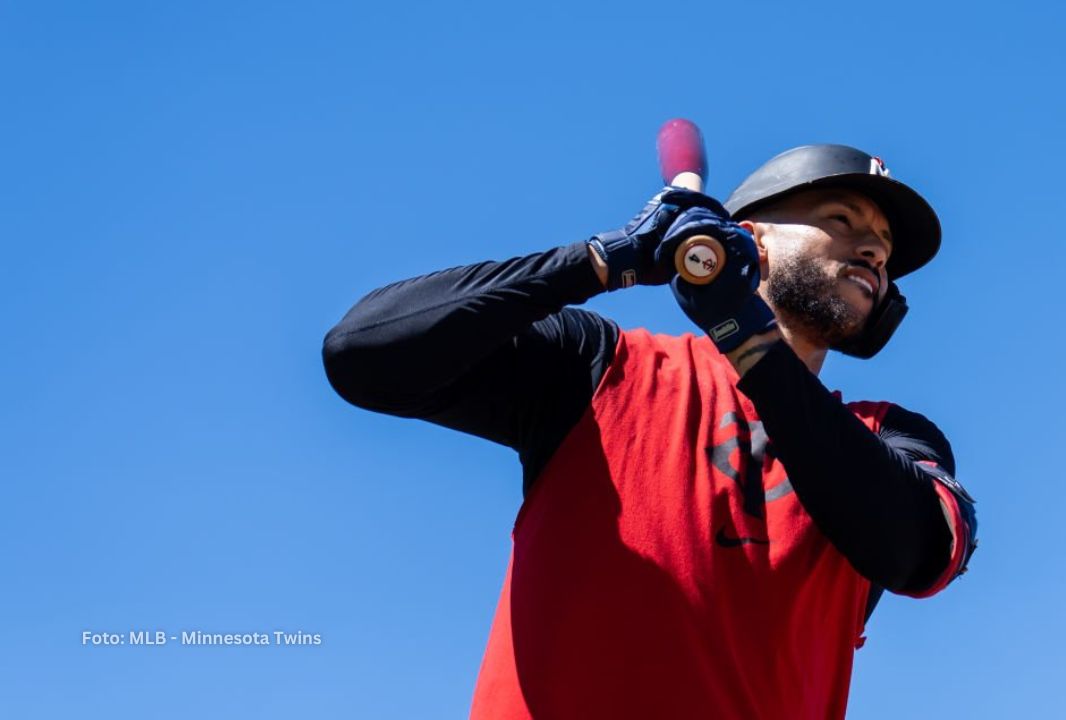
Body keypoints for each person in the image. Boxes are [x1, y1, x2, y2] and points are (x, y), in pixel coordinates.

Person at [322, 143, 978, 719]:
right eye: (842, 220)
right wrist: (604, 260)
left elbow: (917, 551)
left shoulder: (890, 435)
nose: (873, 249)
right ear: (750, 240)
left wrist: (746, 338)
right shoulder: (603, 368)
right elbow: (364, 354)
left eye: (884, 247)